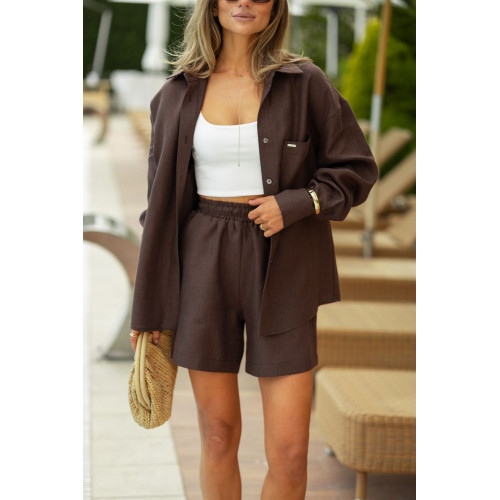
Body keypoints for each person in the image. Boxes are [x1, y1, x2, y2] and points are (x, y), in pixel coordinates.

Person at [129, 0, 378, 498]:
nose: (245, 2)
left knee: (289, 451)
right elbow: (159, 210)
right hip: (203, 261)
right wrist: (149, 305)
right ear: (212, 6)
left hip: (286, 262)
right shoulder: (175, 94)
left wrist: (300, 202)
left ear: (275, 8)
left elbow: (355, 168)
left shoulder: (306, 84)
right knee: (218, 435)